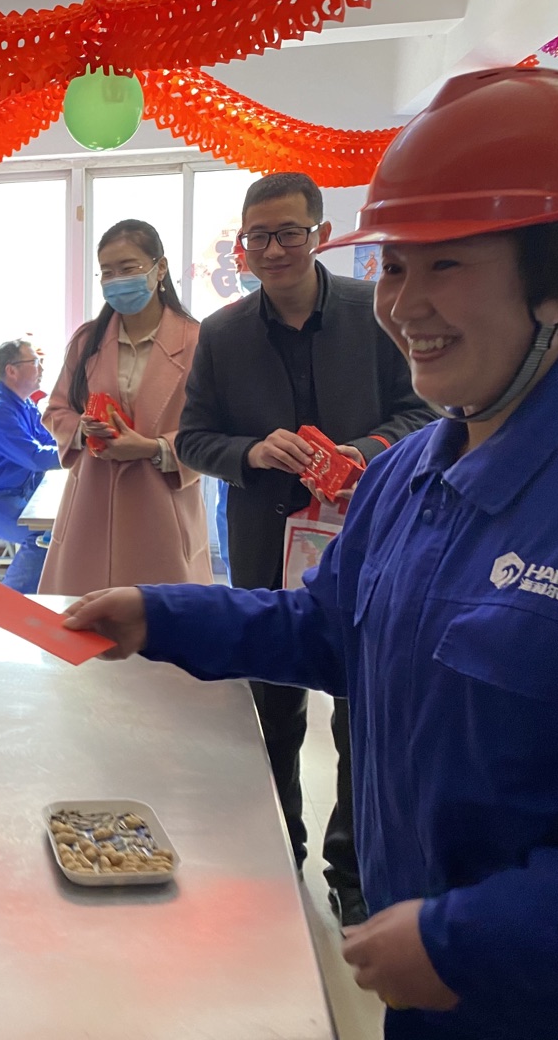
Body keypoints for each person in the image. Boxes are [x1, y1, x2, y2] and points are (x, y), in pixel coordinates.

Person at [65, 67, 558, 1039]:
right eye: (395, 267)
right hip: (421, 983)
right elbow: (326, 629)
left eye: (447, 266)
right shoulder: (407, 475)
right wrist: (159, 612)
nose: (404, 305)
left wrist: (467, 942)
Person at [176, 172, 435, 926]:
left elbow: (425, 409)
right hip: (266, 542)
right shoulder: (223, 333)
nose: (273, 249)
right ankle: (273, 852)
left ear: (321, 235)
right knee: (269, 712)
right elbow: (193, 439)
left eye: (288, 232)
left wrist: (366, 451)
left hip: (368, 538)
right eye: (257, 236)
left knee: (361, 712)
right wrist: (252, 452)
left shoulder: (375, 310)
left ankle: (353, 873)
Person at [38, 219, 211, 594]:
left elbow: (214, 433)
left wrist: (154, 448)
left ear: (159, 268)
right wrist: (82, 430)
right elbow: (56, 411)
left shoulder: (198, 342)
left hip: (162, 509)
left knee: (160, 621)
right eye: (108, 272)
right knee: (85, 618)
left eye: (128, 268)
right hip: (90, 506)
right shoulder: (88, 339)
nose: (117, 280)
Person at [0, 338, 62, 593]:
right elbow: (36, 457)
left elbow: (48, 441)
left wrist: (78, 439)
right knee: (44, 537)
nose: (42, 368)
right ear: (11, 370)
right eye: (35, 362)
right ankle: (8, 603)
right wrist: (82, 450)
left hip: (15, 493)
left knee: (62, 521)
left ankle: (42, 594)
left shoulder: (24, 404)